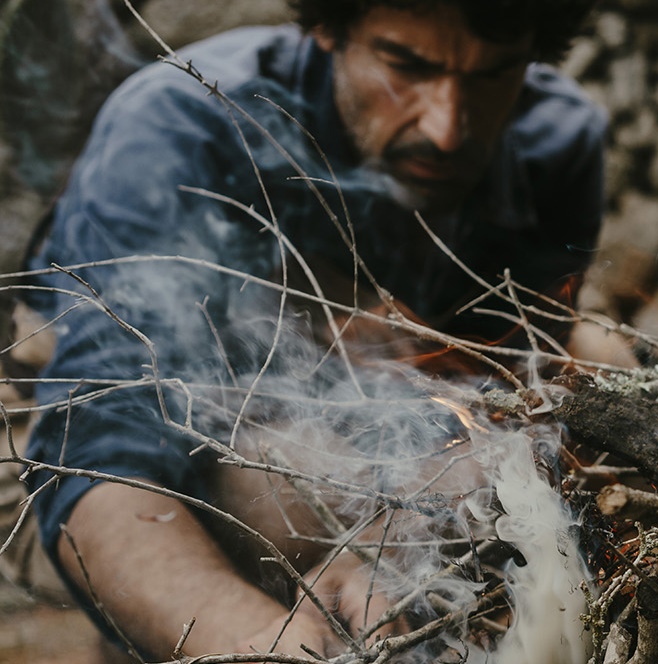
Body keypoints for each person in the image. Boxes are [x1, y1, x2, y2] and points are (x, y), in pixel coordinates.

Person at [19, 0, 617, 659]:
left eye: (492, 75)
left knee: (605, 372)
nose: (447, 129)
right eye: (404, 65)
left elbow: (511, 403)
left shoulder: (554, 141)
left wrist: (395, 544)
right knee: (277, 496)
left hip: (393, 424)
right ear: (331, 28)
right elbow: (97, 450)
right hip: (171, 422)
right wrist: (248, 636)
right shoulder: (182, 124)